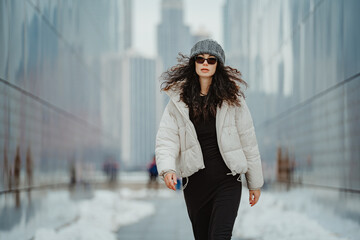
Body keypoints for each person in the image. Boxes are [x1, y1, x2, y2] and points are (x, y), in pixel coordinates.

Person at [155, 39, 264, 240]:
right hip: (195, 185)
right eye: (200, 59)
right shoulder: (178, 102)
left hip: (227, 182)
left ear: (218, 65)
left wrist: (254, 183)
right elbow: (166, 139)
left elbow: (249, 142)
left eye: (211, 60)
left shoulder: (233, 100)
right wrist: (168, 169)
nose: (205, 63)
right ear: (193, 63)